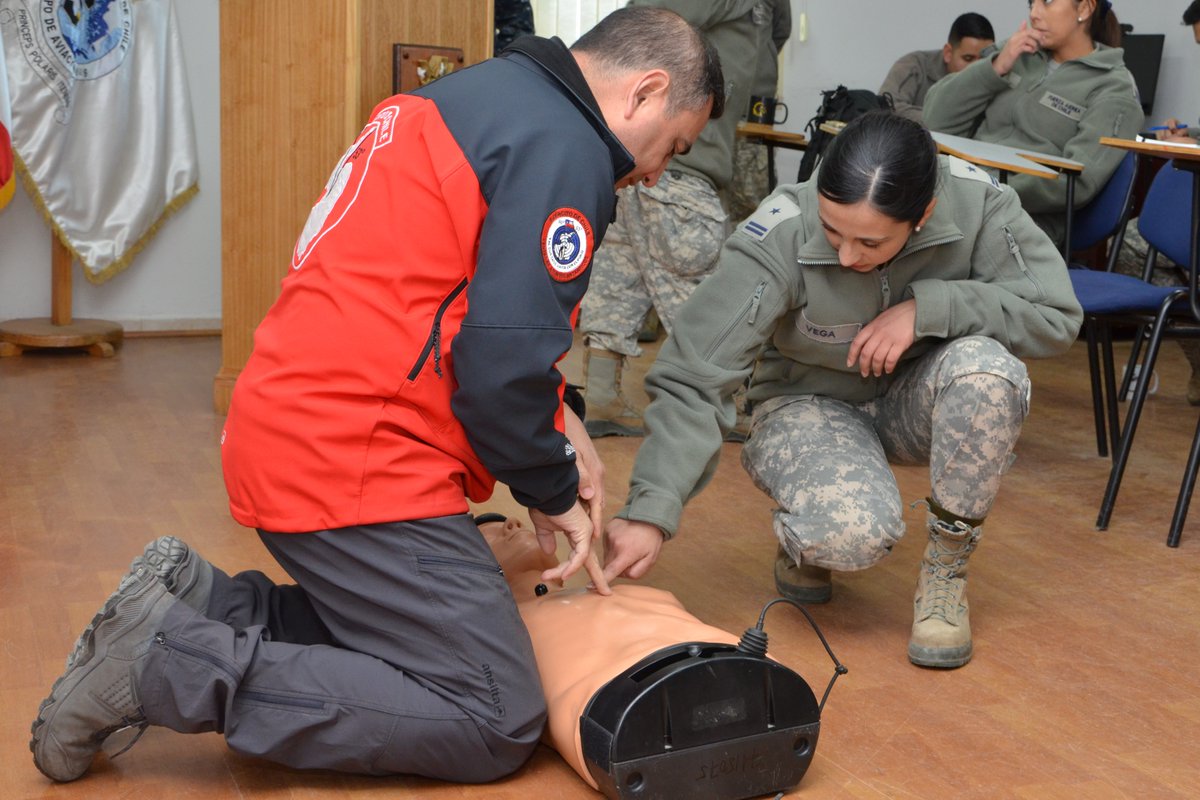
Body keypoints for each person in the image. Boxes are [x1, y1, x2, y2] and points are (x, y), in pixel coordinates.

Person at [28, 8, 724, 785]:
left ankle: (210, 609)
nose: (656, 173)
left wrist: (560, 417)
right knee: (492, 713)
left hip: (293, 424)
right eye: (674, 146)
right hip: (359, 459)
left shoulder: (472, 98)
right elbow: (499, 366)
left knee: (427, 641)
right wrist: (552, 487)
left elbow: (459, 304)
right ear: (645, 91)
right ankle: (167, 666)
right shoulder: (566, 144)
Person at [601, 112, 1082, 670]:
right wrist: (651, 509)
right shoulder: (781, 229)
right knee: (848, 534)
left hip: (913, 400)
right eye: (833, 232)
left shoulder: (979, 204)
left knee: (988, 372)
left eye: (870, 241)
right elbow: (695, 374)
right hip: (807, 401)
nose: (847, 257)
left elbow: (1055, 316)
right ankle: (808, 532)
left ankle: (946, 571)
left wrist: (931, 308)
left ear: (924, 215)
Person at [579, 0, 762, 438]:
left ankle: (601, 395)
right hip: (678, 165)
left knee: (620, 275)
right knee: (705, 295)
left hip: (629, 160)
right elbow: (646, 25)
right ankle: (719, 406)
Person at [923, 0, 1144, 247]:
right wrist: (997, 66)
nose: (1034, 14)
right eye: (1031, 3)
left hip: (1023, 219)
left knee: (917, 231)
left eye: (1047, 2)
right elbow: (935, 120)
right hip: (962, 192)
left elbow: (1078, 183)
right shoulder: (1017, 53)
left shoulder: (1113, 87)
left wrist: (987, 188)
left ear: (1084, 9)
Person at [728, 0, 793, 222]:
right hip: (711, 109)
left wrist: (760, 62)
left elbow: (781, 31)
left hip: (755, 105)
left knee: (755, 200)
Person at [878, 12, 995, 122]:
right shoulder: (914, 66)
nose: (976, 68)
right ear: (948, 53)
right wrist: (943, 122)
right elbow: (886, 107)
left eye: (984, 61)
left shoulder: (996, 78)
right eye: (968, 59)